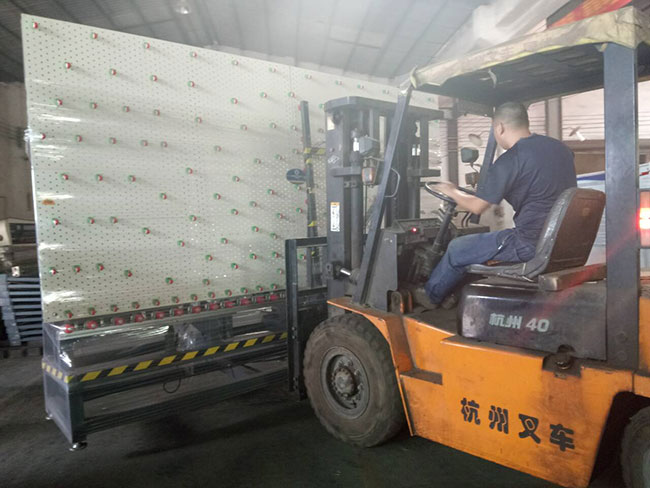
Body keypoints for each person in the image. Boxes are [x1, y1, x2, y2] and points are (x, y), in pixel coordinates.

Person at [419, 102, 577, 307]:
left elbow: (477, 207)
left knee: (458, 248)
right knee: (475, 248)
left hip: (530, 243)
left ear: (499, 127)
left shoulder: (510, 160)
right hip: (562, 240)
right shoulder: (561, 149)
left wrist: (451, 191)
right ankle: (455, 295)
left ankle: (430, 297)